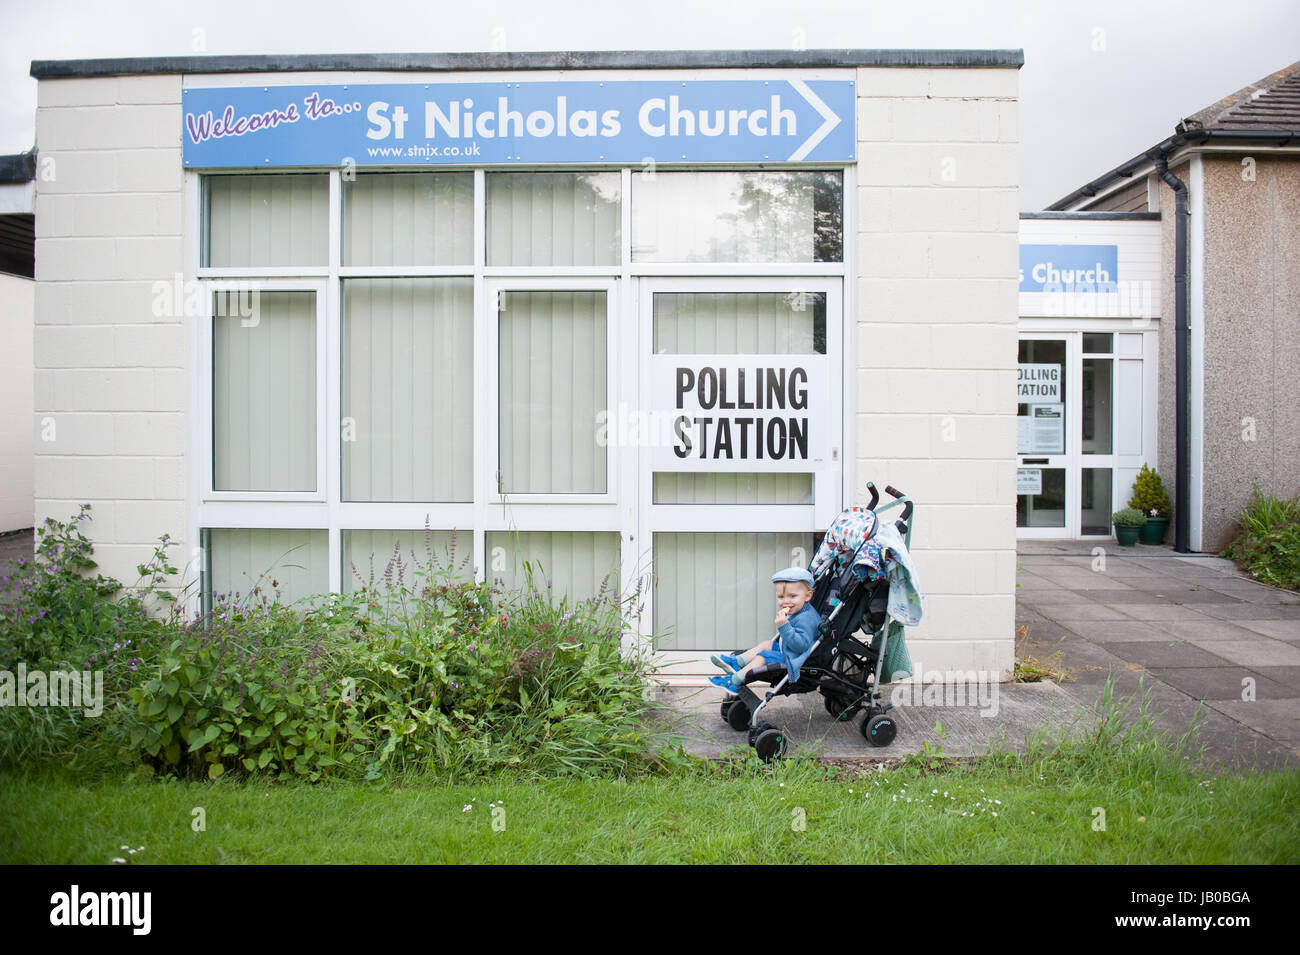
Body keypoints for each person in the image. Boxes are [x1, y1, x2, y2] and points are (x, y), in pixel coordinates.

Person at [709, 567, 821, 692]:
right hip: (789, 651)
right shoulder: (799, 611)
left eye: (792, 596)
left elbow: (800, 646)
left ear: (808, 596)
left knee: (764, 656)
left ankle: (735, 681)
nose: (786, 601)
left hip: (796, 659)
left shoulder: (806, 619)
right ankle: (736, 662)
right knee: (767, 644)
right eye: (781, 597)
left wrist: (784, 627)